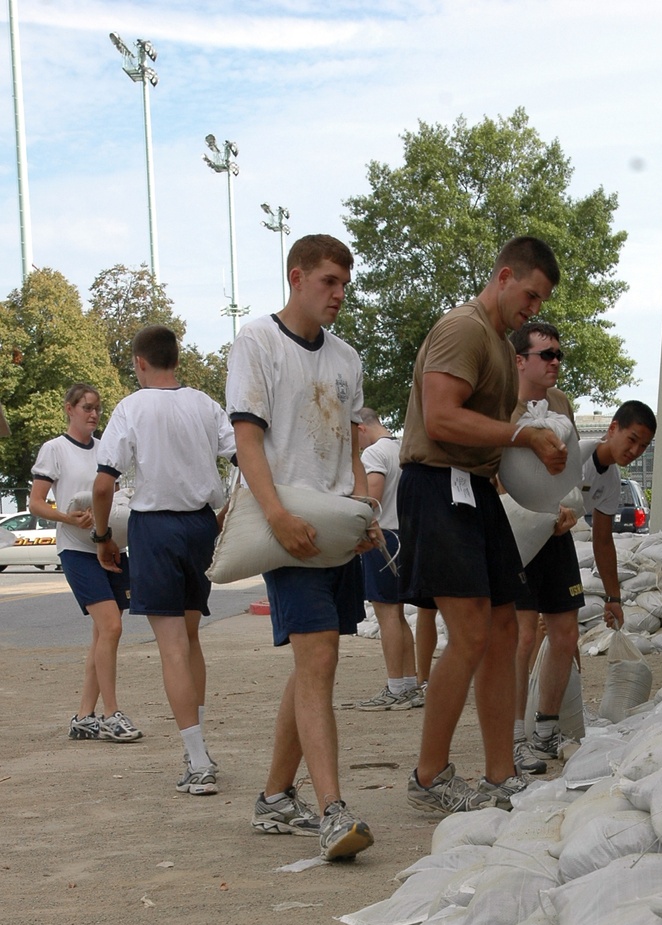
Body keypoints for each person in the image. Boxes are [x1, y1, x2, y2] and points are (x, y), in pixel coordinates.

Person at [398, 235, 567, 817]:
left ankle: (501, 775)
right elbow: (442, 418)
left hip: (475, 491)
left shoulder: (496, 341)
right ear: (503, 276)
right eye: (530, 294)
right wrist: (519, 435)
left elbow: (485, 435)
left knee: (502, 634)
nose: (534, 309)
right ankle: (429, 777)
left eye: (541, 301)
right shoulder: (464, 328)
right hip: (439, 485)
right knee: (470, 634)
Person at [226, 233, 379, 861]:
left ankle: (272, 797)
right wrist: (277, 516)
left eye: (345, 284)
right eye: (328, 282)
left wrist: (367, 504)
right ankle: (332, 812)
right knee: (318, 663)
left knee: (313, 664)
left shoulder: (346, 358)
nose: (339, 295)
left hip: (337, 528)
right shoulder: (257, 342)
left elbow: (354, 440)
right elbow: (247, 439)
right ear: (296, 277)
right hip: (286, 529)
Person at [91, 326, 235, 793]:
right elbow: (248, 462)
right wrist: (224, 514)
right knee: (191, 639)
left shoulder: (132, 407)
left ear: (139, 363)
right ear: (177, 359)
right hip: (200, 525)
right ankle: (201, 747)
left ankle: (198, 762)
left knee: (171, 644)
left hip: (155, 528)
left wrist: (100, 536)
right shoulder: (206, 405)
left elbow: (103, 483)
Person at [29, 383, 142, 742]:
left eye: (97, 408)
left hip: (109, 548)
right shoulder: (55, 450)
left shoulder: (105, 450)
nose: (93, 414)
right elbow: (36, 503)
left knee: (102, 634)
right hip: (77, 551)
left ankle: (83, 716)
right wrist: (67, 518)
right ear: (69, 409)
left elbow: (112, 495)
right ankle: (111, 714)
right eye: (86, 407)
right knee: (110, 628)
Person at [507, 321, 583, 775]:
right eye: (547, 355)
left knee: (565, 634)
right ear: (520, 360)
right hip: (515, 533)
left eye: (559, 355)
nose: (556, 362)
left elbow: (568, 471)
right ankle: (515, 738)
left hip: (555, 533)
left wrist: (569, 508)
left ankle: (545, 731)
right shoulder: (499, 404)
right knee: (521, 638)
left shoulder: (561, 405)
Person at [354, 407, 423, 711]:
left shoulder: (372, 455)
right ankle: (408, 682)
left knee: (386, 615)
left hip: (382, 537)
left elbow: (371, 498)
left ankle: (396, 684)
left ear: (361, 428)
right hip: (405, 536)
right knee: (397, 614)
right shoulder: (401, 449)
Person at [582, 402, 657, 627]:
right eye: (632, 440)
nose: (635, 451)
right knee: (531, 629)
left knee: (565, 629)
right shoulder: (577, 456)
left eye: (643, 446)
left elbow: (603, 540)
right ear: (613, 428)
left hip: (558, 541)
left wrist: (613, 598)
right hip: (527, 542)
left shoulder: (613, 481)